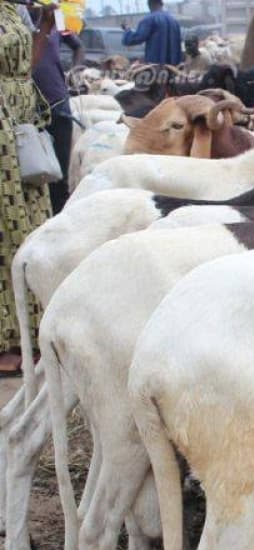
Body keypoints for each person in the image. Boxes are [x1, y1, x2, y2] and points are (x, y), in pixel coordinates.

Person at [0, 0, 55, 375]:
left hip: (20, 117)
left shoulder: (15, 12)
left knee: (32, 225)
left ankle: (33, 330)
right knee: (5, 228)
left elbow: (26, 67)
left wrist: (45, 27)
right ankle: (7, 339)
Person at [26, 3, 82, 214]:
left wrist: (75, 69)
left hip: (57, 103)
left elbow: (77, 45)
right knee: (31, 173)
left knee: (59, 174)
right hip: (24, 109)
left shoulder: (54, 18)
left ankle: (57, 219)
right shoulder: (13, 21)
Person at [121, 0, 182, 66]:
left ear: (149, 5)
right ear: (162, 4)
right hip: (174, 68)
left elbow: (137, 38)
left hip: (156, 67)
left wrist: (127, 30)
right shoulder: (174, 21)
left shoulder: (149, 20)